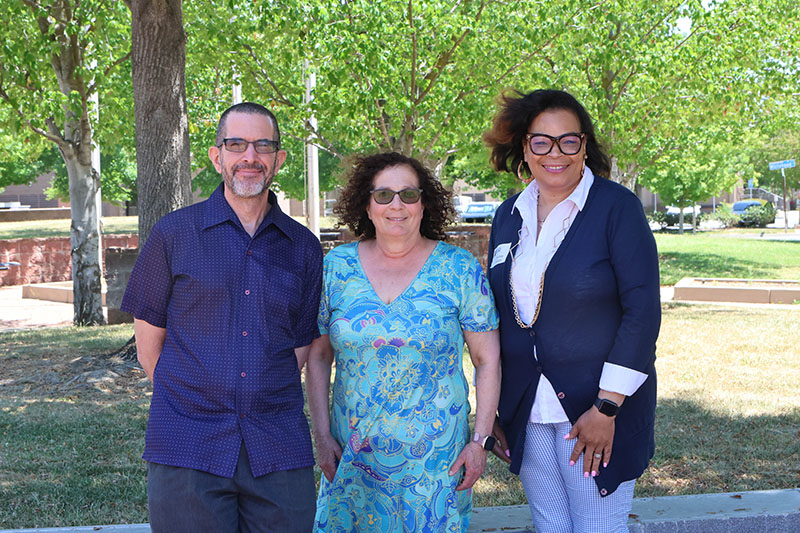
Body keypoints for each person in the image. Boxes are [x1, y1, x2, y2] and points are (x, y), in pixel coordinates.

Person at [121, 102, 322, 533]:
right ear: (218, 157)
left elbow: (300, 344)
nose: (249, 157)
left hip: (278, 446)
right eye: (236, 144)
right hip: (187, 444)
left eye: (262, 145)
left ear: (278, 159)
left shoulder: (303, 246)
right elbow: (148, 347)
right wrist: (199, 395)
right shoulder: (173, 234)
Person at [482, 89, 661, 533]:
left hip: (594, 414)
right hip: (529, 409)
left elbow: (642, 313)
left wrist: (607, 408)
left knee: (598, 527)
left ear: (585, 146)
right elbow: (501, 315)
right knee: (552, 528)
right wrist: (497, 412)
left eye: (568, 141)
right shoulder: (509, 215)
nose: (554, 153)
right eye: (541, 141)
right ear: (524, 147)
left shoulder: (616, 208)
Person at [306, 152, 501, 532]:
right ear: (367, 203)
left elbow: (487, 361)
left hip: (436, 462)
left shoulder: (458, 269)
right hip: (354, 454)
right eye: (384, 195)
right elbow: (318, 357)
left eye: (409, 195)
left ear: (424, 203)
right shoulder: (336, 268)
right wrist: (322, 435)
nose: (397, 205)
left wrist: (479, 442)